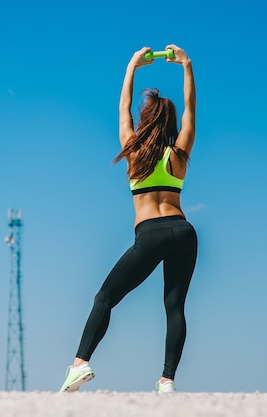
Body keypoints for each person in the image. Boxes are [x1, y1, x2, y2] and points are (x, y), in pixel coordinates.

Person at [59, 44, 197, 394]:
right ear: (169, 123)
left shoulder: (133, 151)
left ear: (145, 120)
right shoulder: (179, 152)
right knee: (174, 306)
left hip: (149, 233)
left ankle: (79, 364)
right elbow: (191, 111)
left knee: (105, 298)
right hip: (183, 231)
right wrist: (186, 65)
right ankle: (167, 381)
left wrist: (132, 66)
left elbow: (122, 109)